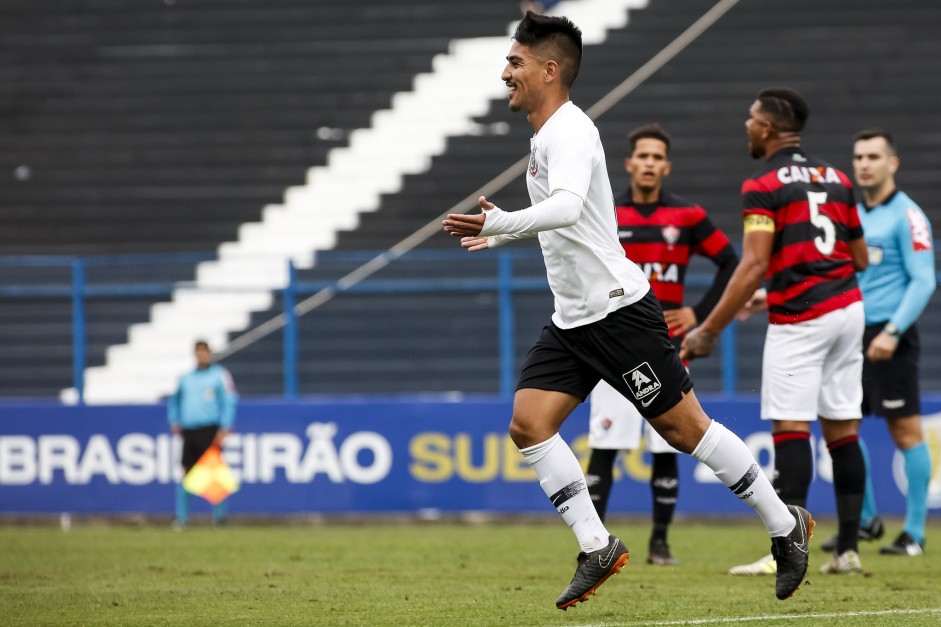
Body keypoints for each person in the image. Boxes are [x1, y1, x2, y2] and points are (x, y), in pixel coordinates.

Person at [442, 13, 812, 609]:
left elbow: (564, 209)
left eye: (515, 62)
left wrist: (502, 223)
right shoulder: (544, 136)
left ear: (549, 69)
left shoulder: (572, 131)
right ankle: (597, 546)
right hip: (572, 320)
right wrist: (503, 232)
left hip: (617, 313)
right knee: (528, 425)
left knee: (684, 430)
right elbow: (572, 221)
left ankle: (784, 524)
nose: (505, 73)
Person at [681, 87, 870, 576]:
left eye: (750, 117)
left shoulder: (763, 183)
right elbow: (861, 257)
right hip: (848, 309)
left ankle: (784, 550)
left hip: (802, 319)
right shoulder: (838, 178)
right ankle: (847, 550)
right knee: (843, 430)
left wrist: (708, 329)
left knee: (791, 428)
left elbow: (753, 264)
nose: (746, 124)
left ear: (767, 127)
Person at [586, 122, 738, 566]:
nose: (649, 164)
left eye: (657, 157)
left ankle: (660, 543)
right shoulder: (608, 214)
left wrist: (699, 314)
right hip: (614, 347)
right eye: (642, 156)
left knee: (667, 445)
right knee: (605, 445)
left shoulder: (687, 216)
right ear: (629, 164)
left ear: (665, 167)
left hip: (669, 348)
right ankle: (594, 545)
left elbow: (730, 261)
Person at [843, 129, 933, 556]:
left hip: (892, 337)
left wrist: (892, 332)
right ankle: (866, 519)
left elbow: (924, 279)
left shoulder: (908, 215)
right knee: (842, 423)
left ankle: (914, 533)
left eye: (874, 156)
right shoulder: (856, 216)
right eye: (859, 156)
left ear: (892, 163)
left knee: (905, 430)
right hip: (855, 333)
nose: (864, 164)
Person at [168, 340, 239, 528]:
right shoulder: (186, 378)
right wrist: (174, 419)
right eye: (198, 352)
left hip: (209, 429)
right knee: (187, 472)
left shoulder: (220, 375)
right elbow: (174, 400)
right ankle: (182, 518)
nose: (201, 355)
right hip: (189, 429)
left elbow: (229, 401)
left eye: (204, 352)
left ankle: (219, 517)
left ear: (209, 353)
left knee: (214, 472)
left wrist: (225, 426)